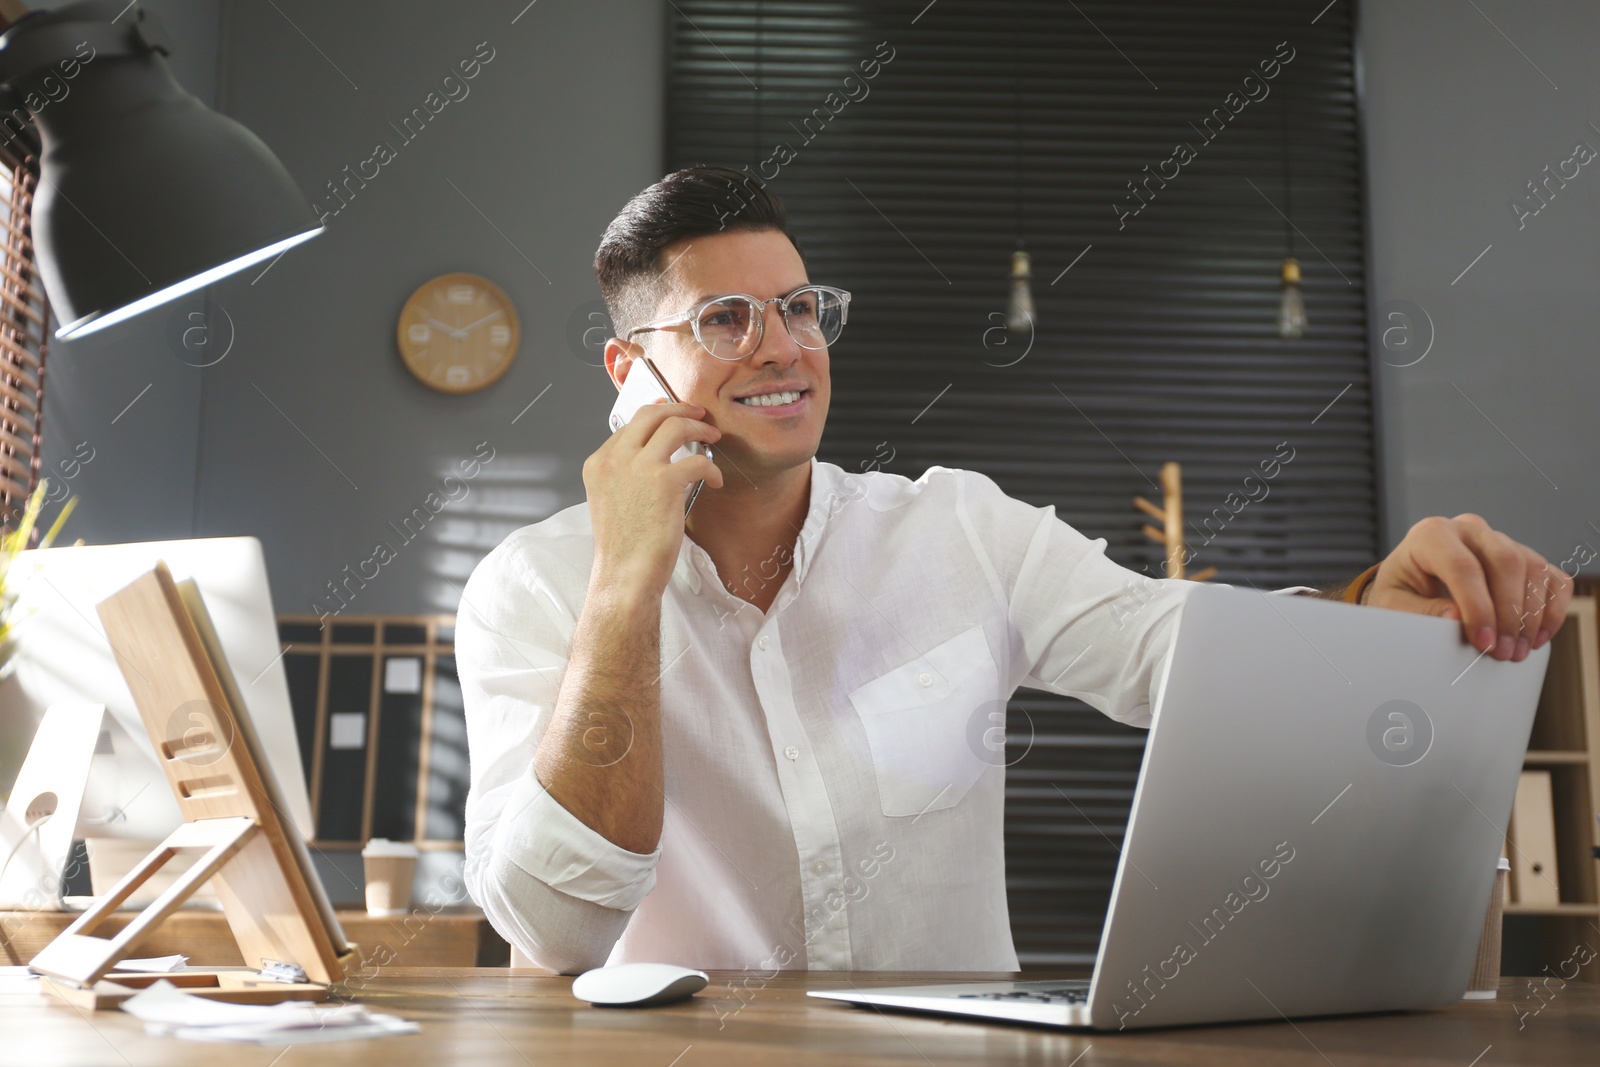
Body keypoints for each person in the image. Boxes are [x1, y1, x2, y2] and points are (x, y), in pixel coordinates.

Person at [457, 166, 1571, 976]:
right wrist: (624, 585)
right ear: (631, 369)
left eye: (799, 307)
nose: (783, 346)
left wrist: (1376, 602)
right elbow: (556, 929)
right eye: (725, 319)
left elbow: (1173, 650)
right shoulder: (535, 586)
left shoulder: (959, 530)